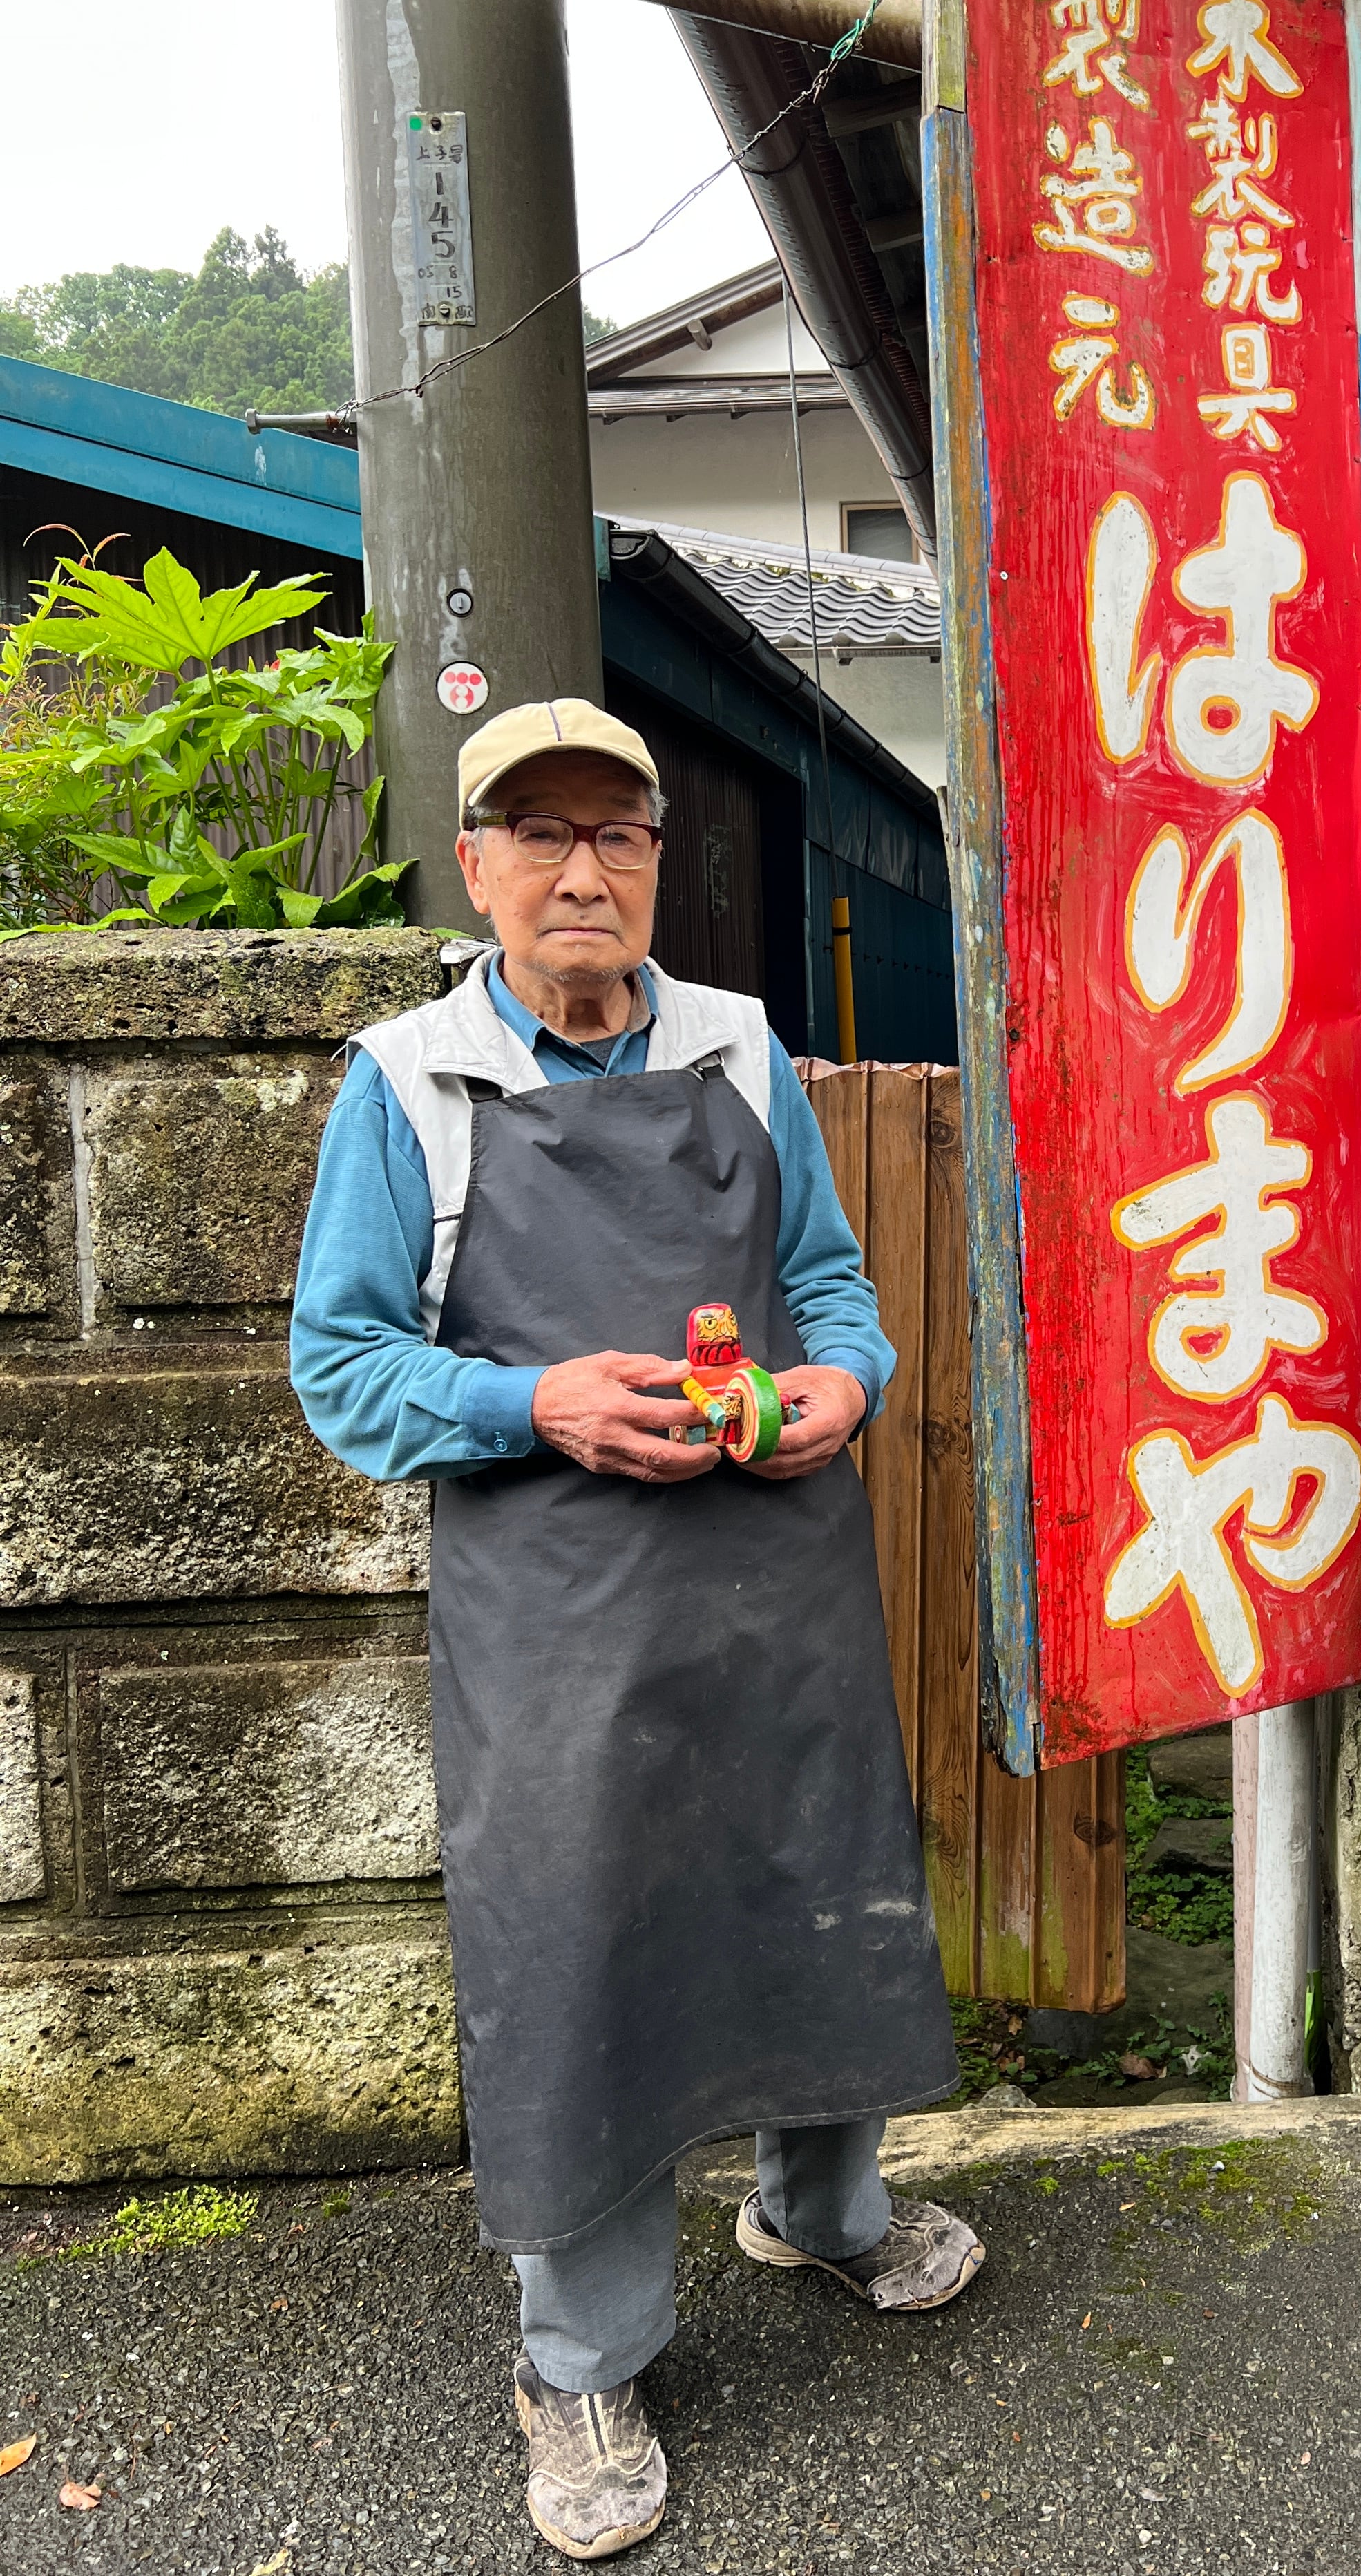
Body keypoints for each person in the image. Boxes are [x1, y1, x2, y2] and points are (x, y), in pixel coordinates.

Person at [292, 699, 978, 2561]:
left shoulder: (740, 1047)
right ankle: (580, 2355)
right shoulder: (411, 1080)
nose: (583, 869)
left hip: (776, 1577)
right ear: (478, 865)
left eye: (620, 833)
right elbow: (342, 1369)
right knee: (582, 1946)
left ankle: (824, 2214)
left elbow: (829, 1283)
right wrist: (541, 1407)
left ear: (659, 862)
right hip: (557, 1617)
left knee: (812, 1881)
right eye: (540, 834)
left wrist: (847, 1381)